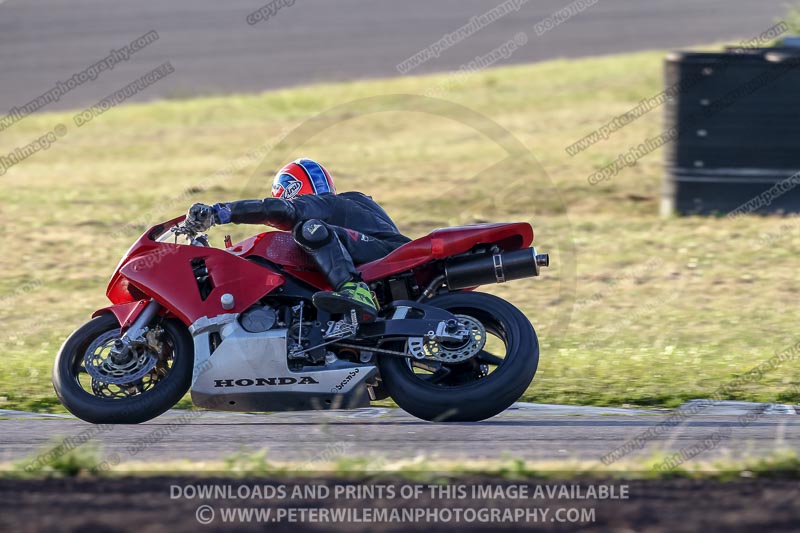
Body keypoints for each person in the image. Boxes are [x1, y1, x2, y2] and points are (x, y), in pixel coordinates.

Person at [185, 158, 410, 322]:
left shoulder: (326, 204)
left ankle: (354, 289)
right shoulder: (345, 208)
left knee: (308, 229)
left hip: (388, 255)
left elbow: (278, 210)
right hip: (381, 256)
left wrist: (219, 212)